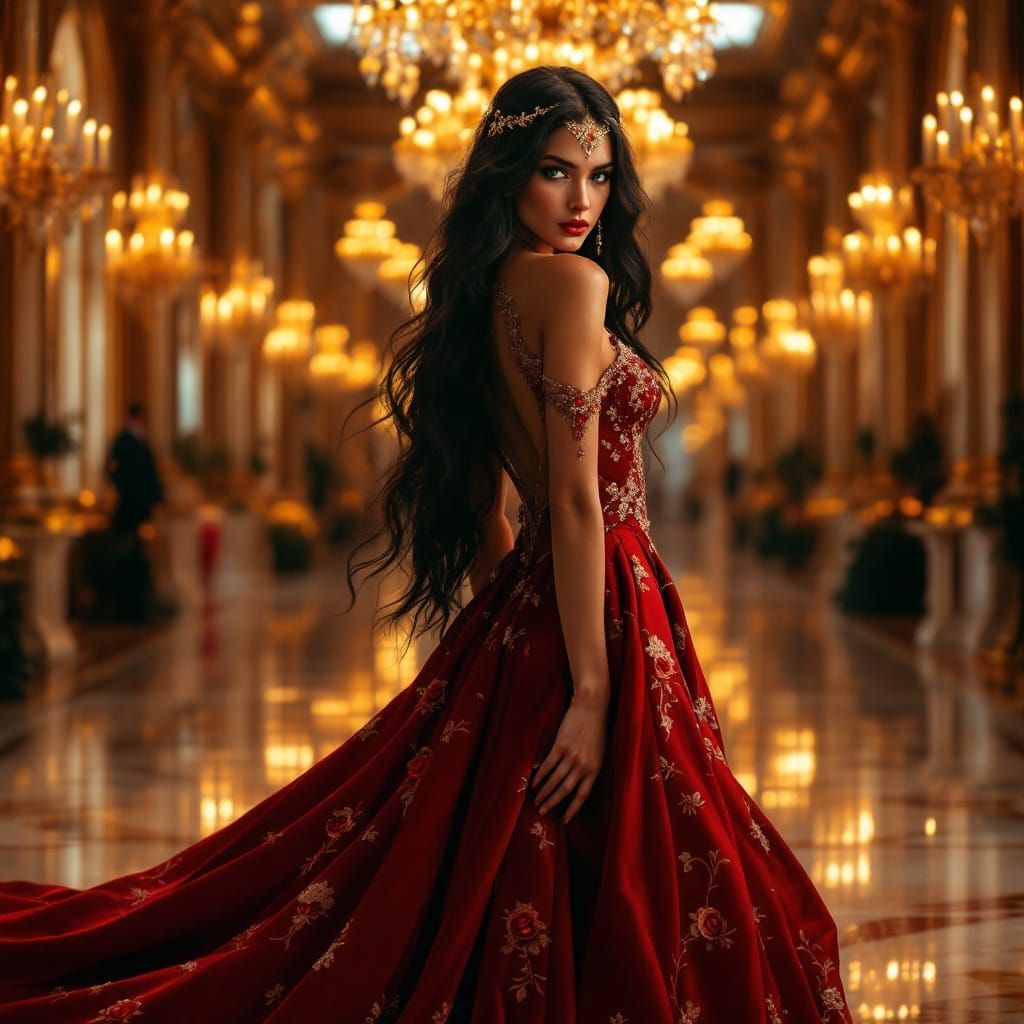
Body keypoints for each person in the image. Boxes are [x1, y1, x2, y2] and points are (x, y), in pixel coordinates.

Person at [0, 67, 851, 1022]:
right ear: (508, 175)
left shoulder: (484, 294)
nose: (582, 201)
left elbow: (496, 512)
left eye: (601, 176)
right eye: (556, 173)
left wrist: (509, 651)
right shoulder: (575, 285)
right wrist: (593, 685)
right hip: (601, 594)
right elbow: (573, 502)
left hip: (545, 599)